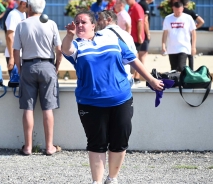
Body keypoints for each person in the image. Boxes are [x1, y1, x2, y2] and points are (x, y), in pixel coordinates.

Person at [61, 10, 163, 184]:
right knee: (97, 143)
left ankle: (112, 178)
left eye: (83, 22)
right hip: (90, 103)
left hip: (120, 99)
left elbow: (133, 59)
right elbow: (65, 49)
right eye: (76, 22)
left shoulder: (112, 38)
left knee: (120, 140)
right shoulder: (76, 45)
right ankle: (97, 181)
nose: (79, 25)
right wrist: (69, 36)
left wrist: (151, 79)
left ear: (93, 25)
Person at [13, 0, 63, 156]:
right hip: (47, 65)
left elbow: (16, 51)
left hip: (28, 65)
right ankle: (49, 147)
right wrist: (56, 67)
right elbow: (58, 50)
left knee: (28, 108)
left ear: (29, 7)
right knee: (48, 108)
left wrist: (20, 68)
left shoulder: (22, 25)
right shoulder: (51, 24)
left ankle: (27, 147)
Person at [97, 10, 137, 87]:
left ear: (109, 20)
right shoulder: (127, 35)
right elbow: (134, 58)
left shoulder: (100, 35)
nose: (98, 22)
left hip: (109, 82)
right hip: (126, 80)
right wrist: (132, 74)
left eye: (100, 19)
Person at [162, 2, 197, 72]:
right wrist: (163, 45)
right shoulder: (168, 18)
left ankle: (184, 81)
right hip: (172, 48)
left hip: (184, 47)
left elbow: (193, 33)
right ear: (173, 9)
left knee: (181, 67)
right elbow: (165, 33)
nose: (177, 13)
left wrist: (193, 47)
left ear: (182, 9)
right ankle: (176, 82)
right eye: (175, 11)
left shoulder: (188, 18)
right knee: (173, 69)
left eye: (179, 12)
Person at [135, 0, 156, 81]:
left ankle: (137, 75)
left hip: (137, 32)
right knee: (143, 55)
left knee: (138, 55)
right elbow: (145, 21)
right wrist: (148, 33)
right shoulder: (145, 5)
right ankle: (138, 76)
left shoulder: (139, 3)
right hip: (143, 33)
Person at [5, 0, 28, 75]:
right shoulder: (13, 15)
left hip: (22, 53)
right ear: (24, 4)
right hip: (14, 54)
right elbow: (9, 36)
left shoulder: (24, 14)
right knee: (15, 83)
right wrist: (12, 57)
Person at [180, 0, 205, 70]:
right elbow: (201, 21)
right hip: (188, 35)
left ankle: (180, 70)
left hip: (179, 35)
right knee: (190, 55)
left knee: (180, 54)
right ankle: (191, 71)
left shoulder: (177, 12)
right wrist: (194, 28)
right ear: (188, 3)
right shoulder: (190, 12)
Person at [125, 0, 145, 84]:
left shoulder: (137, 7)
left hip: (136, 37)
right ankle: (135, 76)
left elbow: (140, 22)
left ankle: (137, 77)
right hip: (132, 37)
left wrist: (140, 35)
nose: (126, 0)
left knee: (136, 57)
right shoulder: (130, 8)